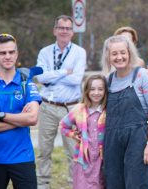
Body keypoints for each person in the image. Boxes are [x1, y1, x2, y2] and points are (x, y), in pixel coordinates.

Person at [0, 33, 42, 189]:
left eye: (11, 52)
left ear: (16, 54)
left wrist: (0, 116)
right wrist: (19, 120)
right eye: (2, 53)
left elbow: (32, 118)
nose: (7, 56)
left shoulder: (27, 85)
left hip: (22, 157)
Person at [101, 35, 148, 189]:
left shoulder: (142, 76)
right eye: (114, 54)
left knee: (139, 184)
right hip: (113, 144)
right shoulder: (107, 81)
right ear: (108, 57)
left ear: (129, 53)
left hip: (139, 142)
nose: (119, 57)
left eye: (123, 52)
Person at [35, 15, 87, 189]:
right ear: (54, 30)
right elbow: (41, 77)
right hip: (47, 106)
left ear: (72, 32)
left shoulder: (80, 52)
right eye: (61, 27)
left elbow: (76, 79)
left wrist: (52, 76)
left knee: (73, 150)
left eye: (68, 28)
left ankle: (76, 184)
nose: (64, 31)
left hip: (71, 107)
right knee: (43, 150)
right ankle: (43, 184)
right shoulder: (45, 52)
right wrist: (65, 71)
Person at [60, 74, 108, 189]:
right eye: (92, 89)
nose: (96, 93)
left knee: (100, 184)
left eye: (100, 89)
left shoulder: (108, 110)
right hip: (83, 160)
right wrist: (73, 134)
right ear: (86, 91)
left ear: (105, 91)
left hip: (101, 160)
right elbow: (63, 126)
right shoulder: (79, 110)